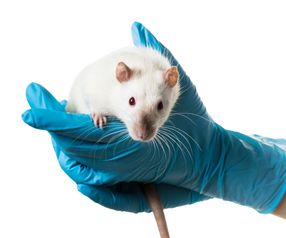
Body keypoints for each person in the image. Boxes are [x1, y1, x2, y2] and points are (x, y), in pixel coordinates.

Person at [22, 22, 286, 219]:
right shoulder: (111, 82)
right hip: (87, 102)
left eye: (159, 107)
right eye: (132, 104)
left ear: (171, 83)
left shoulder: (167, 82)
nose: (143, 130)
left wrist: (219, 163)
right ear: (121, 77)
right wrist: (93, 110)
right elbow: (88, 87)